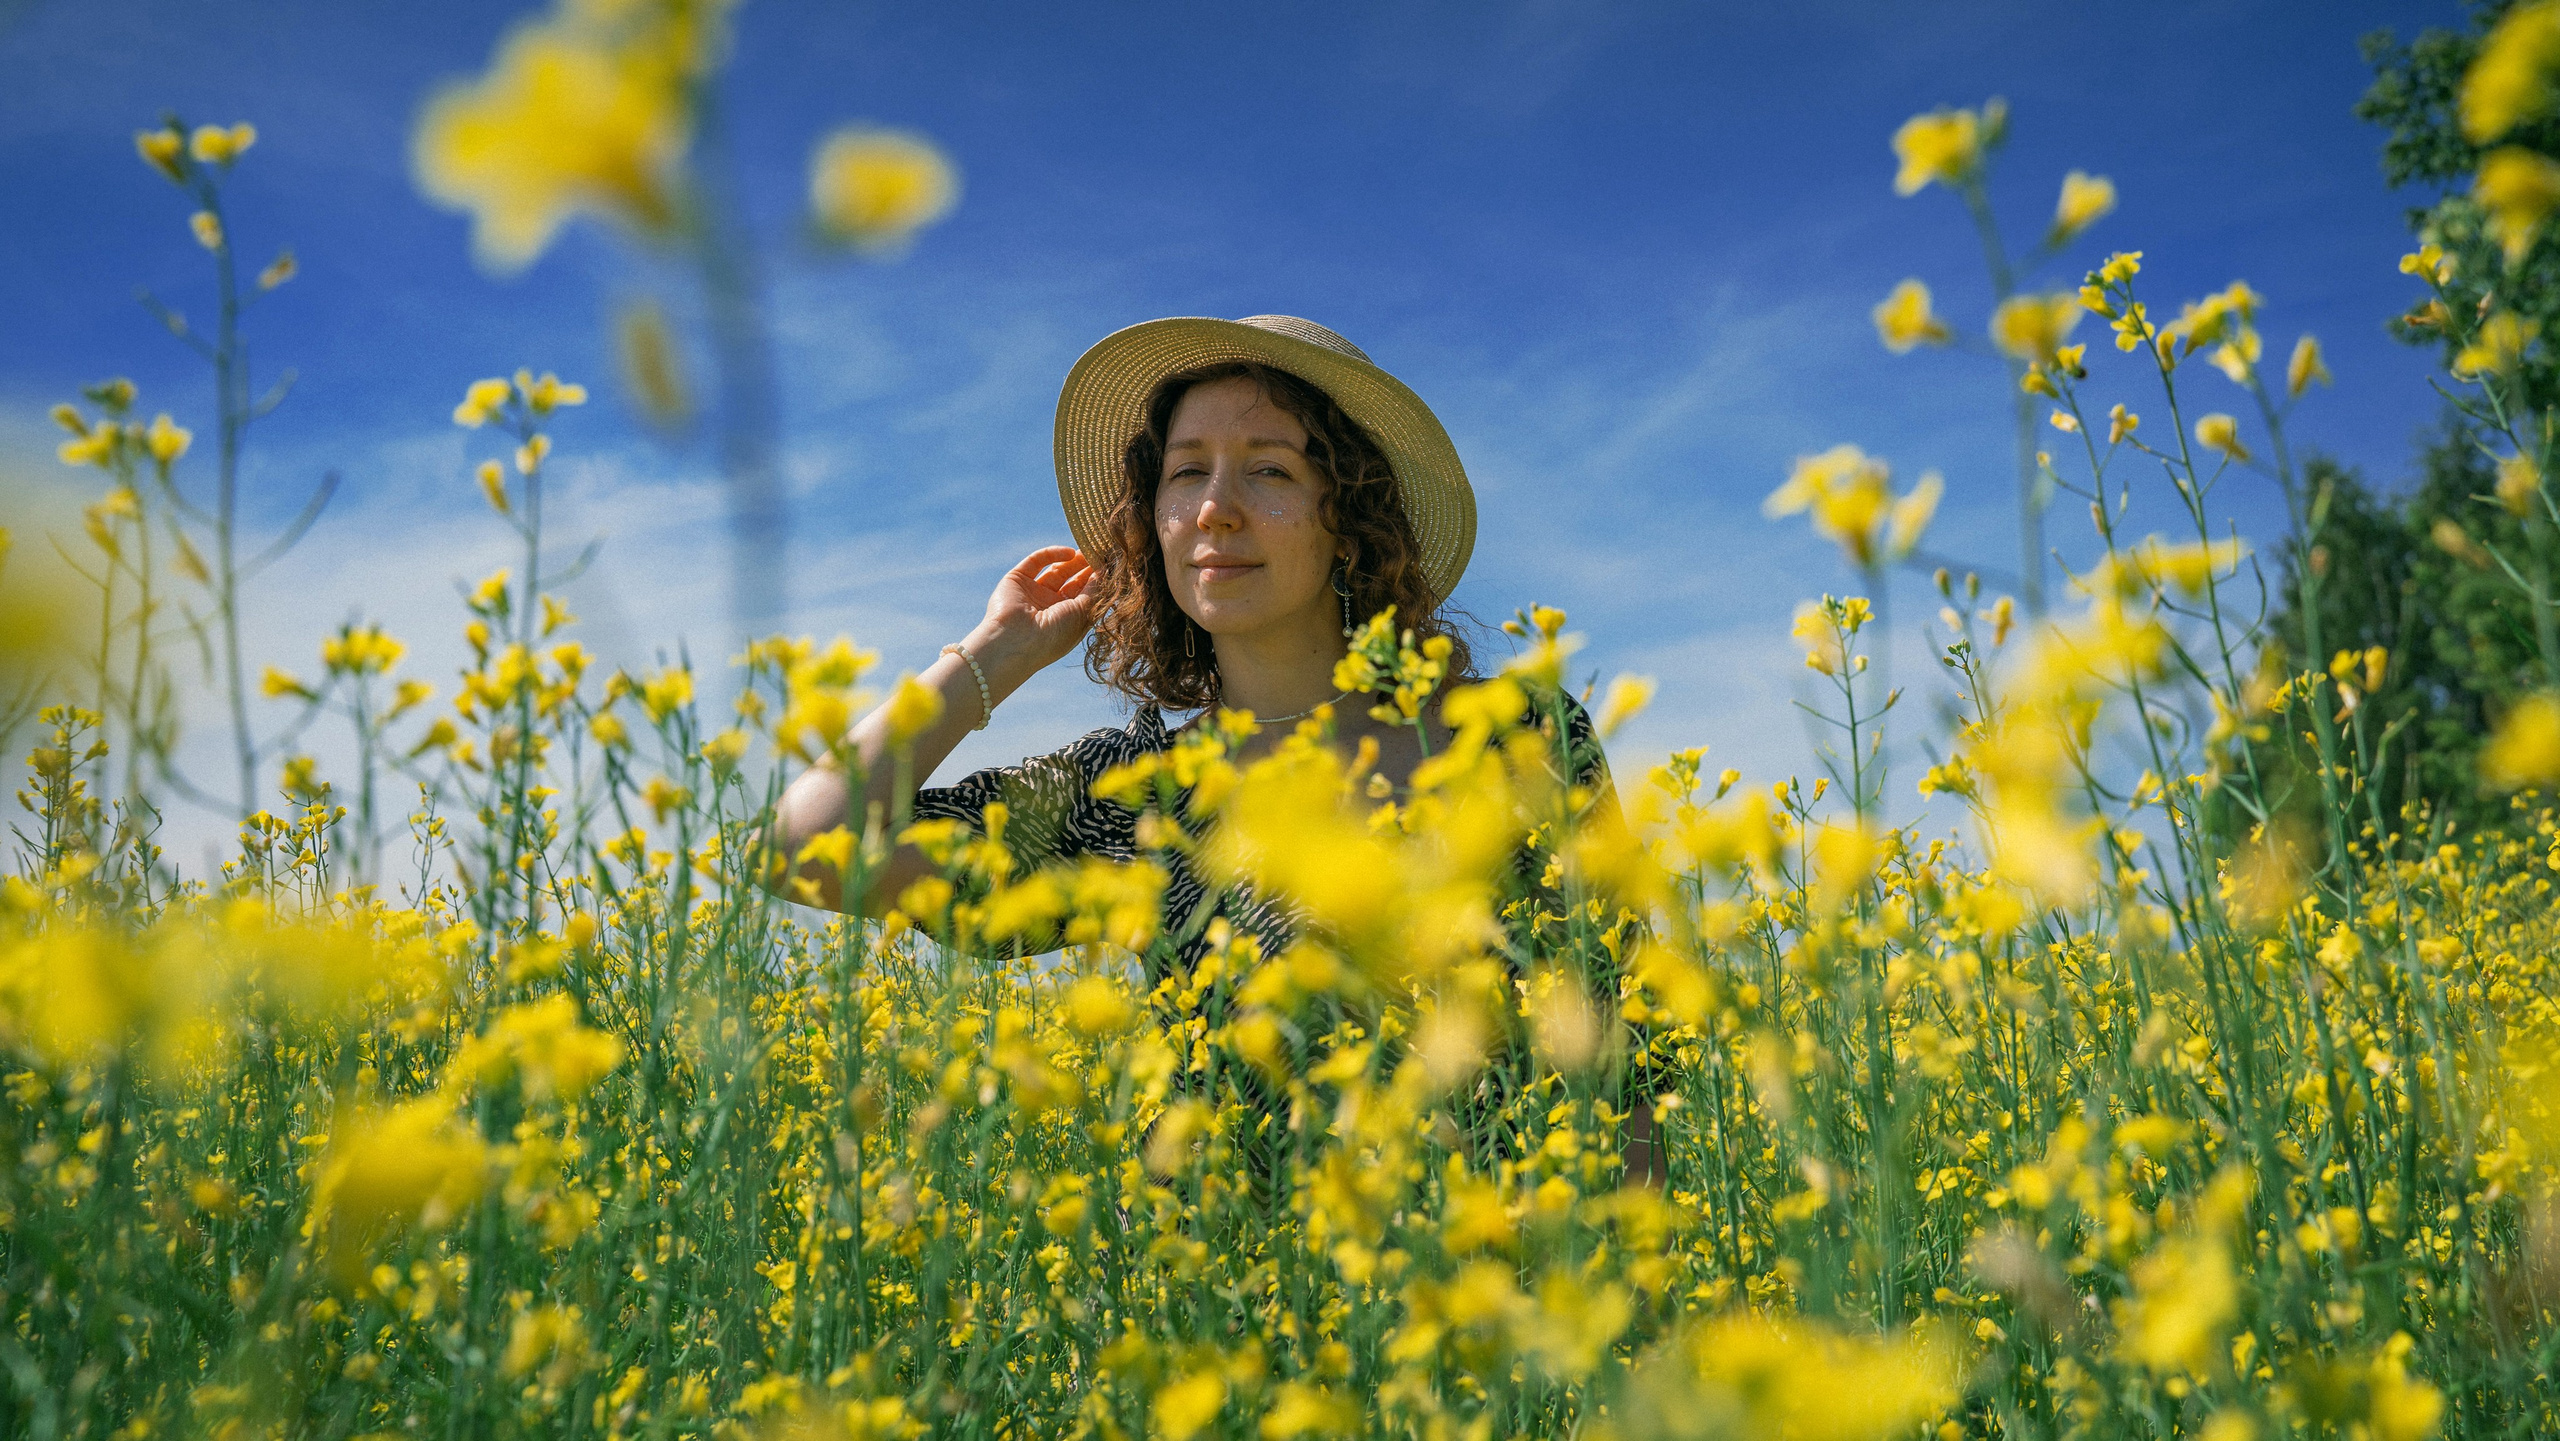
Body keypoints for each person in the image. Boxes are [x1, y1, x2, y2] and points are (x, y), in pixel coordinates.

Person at [768, 315, 1660, 1182]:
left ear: (1346, 514)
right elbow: (804, 846)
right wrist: (991, 656)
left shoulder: (1517, 738)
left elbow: (1624, 1066)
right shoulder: (1133, 794)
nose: (1215, 510)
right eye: (1185, 473)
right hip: (1227, 1319)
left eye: (1268, 470)